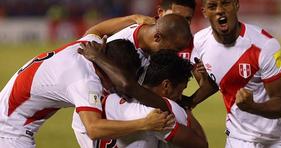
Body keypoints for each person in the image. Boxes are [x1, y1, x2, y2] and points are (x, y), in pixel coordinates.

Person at [187, 0, 281, 147]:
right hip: (239, 136)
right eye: (212, 6)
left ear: (236, 5)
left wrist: (251, 106)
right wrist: (189, 102)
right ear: (204, 12)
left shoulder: (264, 45)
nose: (220, 10)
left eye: (225, 3)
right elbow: (216, 80)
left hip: (279, 138)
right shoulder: (199, 42)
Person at [0, 37, 174, 148]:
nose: (116, 88)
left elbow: (98, 30)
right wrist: (145, 123)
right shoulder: (85, 81)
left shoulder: (89, 44)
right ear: (109, 70)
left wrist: (134, 18)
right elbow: (93, 129)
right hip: (9, 133)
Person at [72, 14, 196, 147]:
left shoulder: (150, 48)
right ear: (157, 38)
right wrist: (98, 57)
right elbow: (93, 33)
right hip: (98, 110)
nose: (174, 54)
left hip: (121, 111)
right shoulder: (123, 43)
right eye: (175, 49)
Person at [96, 50, 208, 148]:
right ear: (166, 85)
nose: (180, 97)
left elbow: (93, 130)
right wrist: (186, 110)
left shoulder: (110, 100)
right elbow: (202, 145)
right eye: (180, 90)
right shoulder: (159, 115)